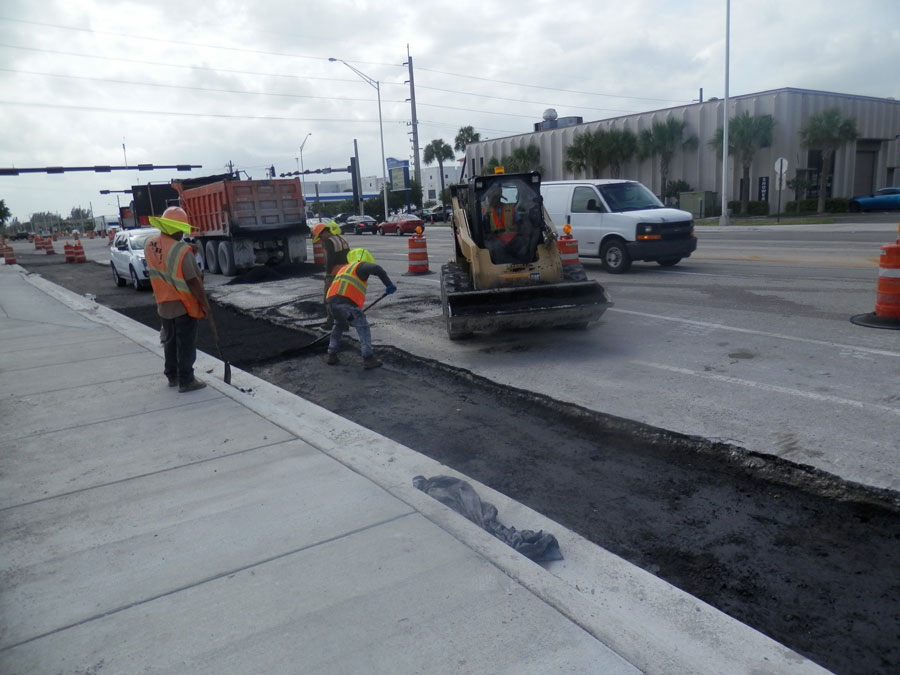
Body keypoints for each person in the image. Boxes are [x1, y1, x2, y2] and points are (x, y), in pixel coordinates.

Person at [146, 206, 210, 392]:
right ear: (173, 228)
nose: (182, 233)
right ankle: (187, 380)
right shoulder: (181, 250)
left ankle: (172, 376)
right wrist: (205, 304)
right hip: (183, 305)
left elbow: (165, 260)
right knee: (186, 344)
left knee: (170, 342)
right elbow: (193, 281)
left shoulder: (150, 244)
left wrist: (188, 251)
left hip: (163, 304)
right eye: (181, 229)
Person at [325, 248, 396, 369]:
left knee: (339, 325)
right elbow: (377, 269)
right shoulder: (361, 266)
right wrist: (388, 284)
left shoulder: (344, 268)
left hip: (330, 304)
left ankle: (331, 354)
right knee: (363, 326)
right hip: (346, 304)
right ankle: (368, 358)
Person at [311, 221, 349, 330]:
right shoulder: (341, 239)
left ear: (325, 232)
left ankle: (331, 322)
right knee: (341, 299)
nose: (321, 239)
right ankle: (344, 322)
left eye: (320, 236)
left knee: (329, 298)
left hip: (334, 273)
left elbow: (330, 259)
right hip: (345, 271)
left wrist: (328, 274)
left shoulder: (329, 241)